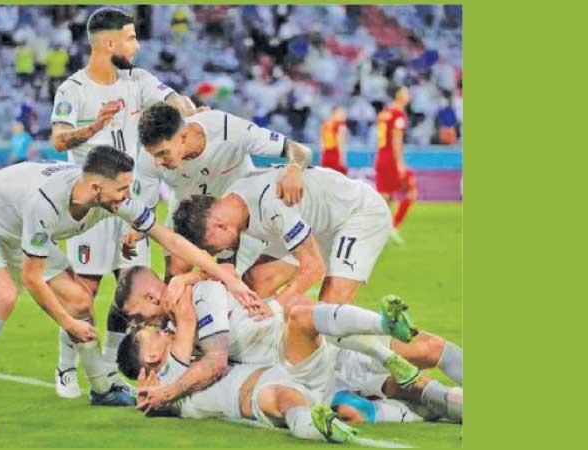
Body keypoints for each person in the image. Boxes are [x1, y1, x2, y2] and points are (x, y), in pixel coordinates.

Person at [0, 146, 258, 424]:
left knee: (80, 300)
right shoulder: (47, 204)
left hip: (19, 228)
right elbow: (32, 277)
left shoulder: (111, 199)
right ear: (96, 187)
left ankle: (102, 387)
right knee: (4, 296)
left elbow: (169, 238)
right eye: (121, 188)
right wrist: (67, 323)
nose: (126, 195)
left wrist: (224, 275)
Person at [48, 7, 199, 398]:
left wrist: (189, 110)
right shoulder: (74, 89)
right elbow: (59, 139)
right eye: (131, 38)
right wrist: (94, 127)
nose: (137, 45)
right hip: (93, 207)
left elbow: (171, 98)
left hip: (131, 203)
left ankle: (112, 375)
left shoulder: (139, 80)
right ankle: (66, 366)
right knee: (84, 290)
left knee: (131, 290)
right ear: (109, 43)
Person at [118, 272, 462, 429]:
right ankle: (431, 398)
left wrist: (189, 276)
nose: (147, 324)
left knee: (428, 349)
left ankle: (441, 400)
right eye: (141, 326)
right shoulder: (181, 345)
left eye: (140, 318)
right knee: (302, 321)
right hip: (297, 362)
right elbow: (210, 359)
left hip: (330, 349)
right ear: (149, 359)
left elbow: (225, 272)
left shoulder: (185, 321)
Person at [135, 102, 312, 281]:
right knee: (175, 274)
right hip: (188, 211)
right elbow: (145, 211)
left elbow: (298, 150)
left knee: (241, 279)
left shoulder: (228, 129)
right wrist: (135, 232)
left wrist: (294, 168)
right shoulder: (148, 158)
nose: (157, 162)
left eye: (163, 153)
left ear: (183, 135)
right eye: (154, 155)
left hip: (235, 212)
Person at [173, 167, 390, 304]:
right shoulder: (229, 209)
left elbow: (313, 268)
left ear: (219, 226)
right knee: (256, 282)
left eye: (209, 247)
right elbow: (228, 271)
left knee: (330, 308)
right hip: (313, 223)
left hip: (357, 214)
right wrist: (185, 279)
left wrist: (274, 311)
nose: (213, 252)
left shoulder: (273, 203)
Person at [375, 86, 417, 244]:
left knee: (387, 197)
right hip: (391, 158)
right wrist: (400, 163)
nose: (408, 95)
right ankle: (391, 227)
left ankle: (382, 230)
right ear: (399, 95)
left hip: (382, 155)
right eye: (406, 92)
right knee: (410, 192)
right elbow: (396, 140)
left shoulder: (385, 112)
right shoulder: (398, 115)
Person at [319, 106, 348, 175]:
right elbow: (341, 143)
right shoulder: (340, 125)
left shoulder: (325, 124)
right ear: (335, 113)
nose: (344, 116)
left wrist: (322, 156)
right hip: (335, 154)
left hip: (325, 155)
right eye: (341, 114)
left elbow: (322, 143)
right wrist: (342, 159)